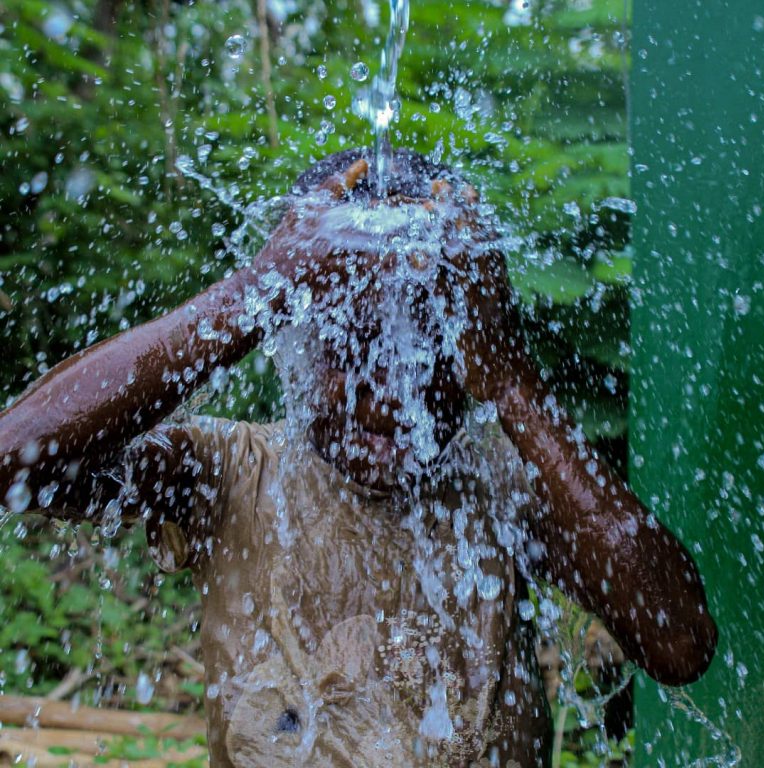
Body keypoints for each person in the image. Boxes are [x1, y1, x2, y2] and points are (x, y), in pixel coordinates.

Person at [0, 149, 717, 768]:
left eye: (426, 347)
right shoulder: (227, 473)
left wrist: (512, 383)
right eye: (353, 344)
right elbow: (12, 460)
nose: (388, 395)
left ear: (470, 350)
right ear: (288, 339)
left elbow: (678, 643)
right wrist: (251, 292)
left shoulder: (508, 489)